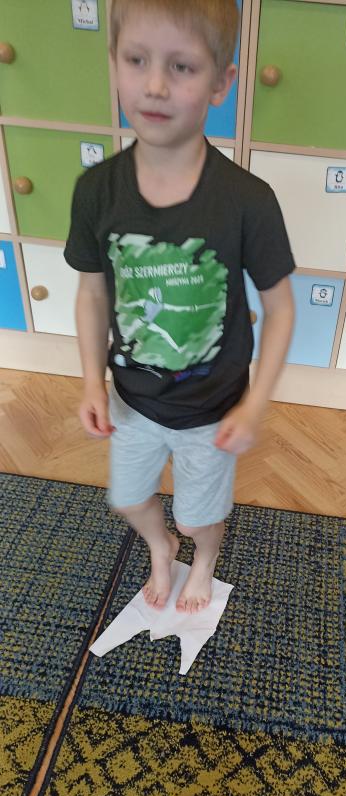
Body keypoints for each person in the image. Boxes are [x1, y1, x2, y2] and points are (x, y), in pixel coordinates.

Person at [64, 0, 295, 616]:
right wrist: (89, 381)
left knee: (199, 517)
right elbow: (92, 292)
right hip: (131, 401)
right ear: (114, 63)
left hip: (211, 412)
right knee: (127, 499)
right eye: (136, 60)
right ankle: (160, 548)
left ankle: (203, 559)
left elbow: (280, 309)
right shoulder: (95, 192)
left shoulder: (248, 200)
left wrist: (255, 404)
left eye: (182, 66)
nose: (155, 85)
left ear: (222, 82)